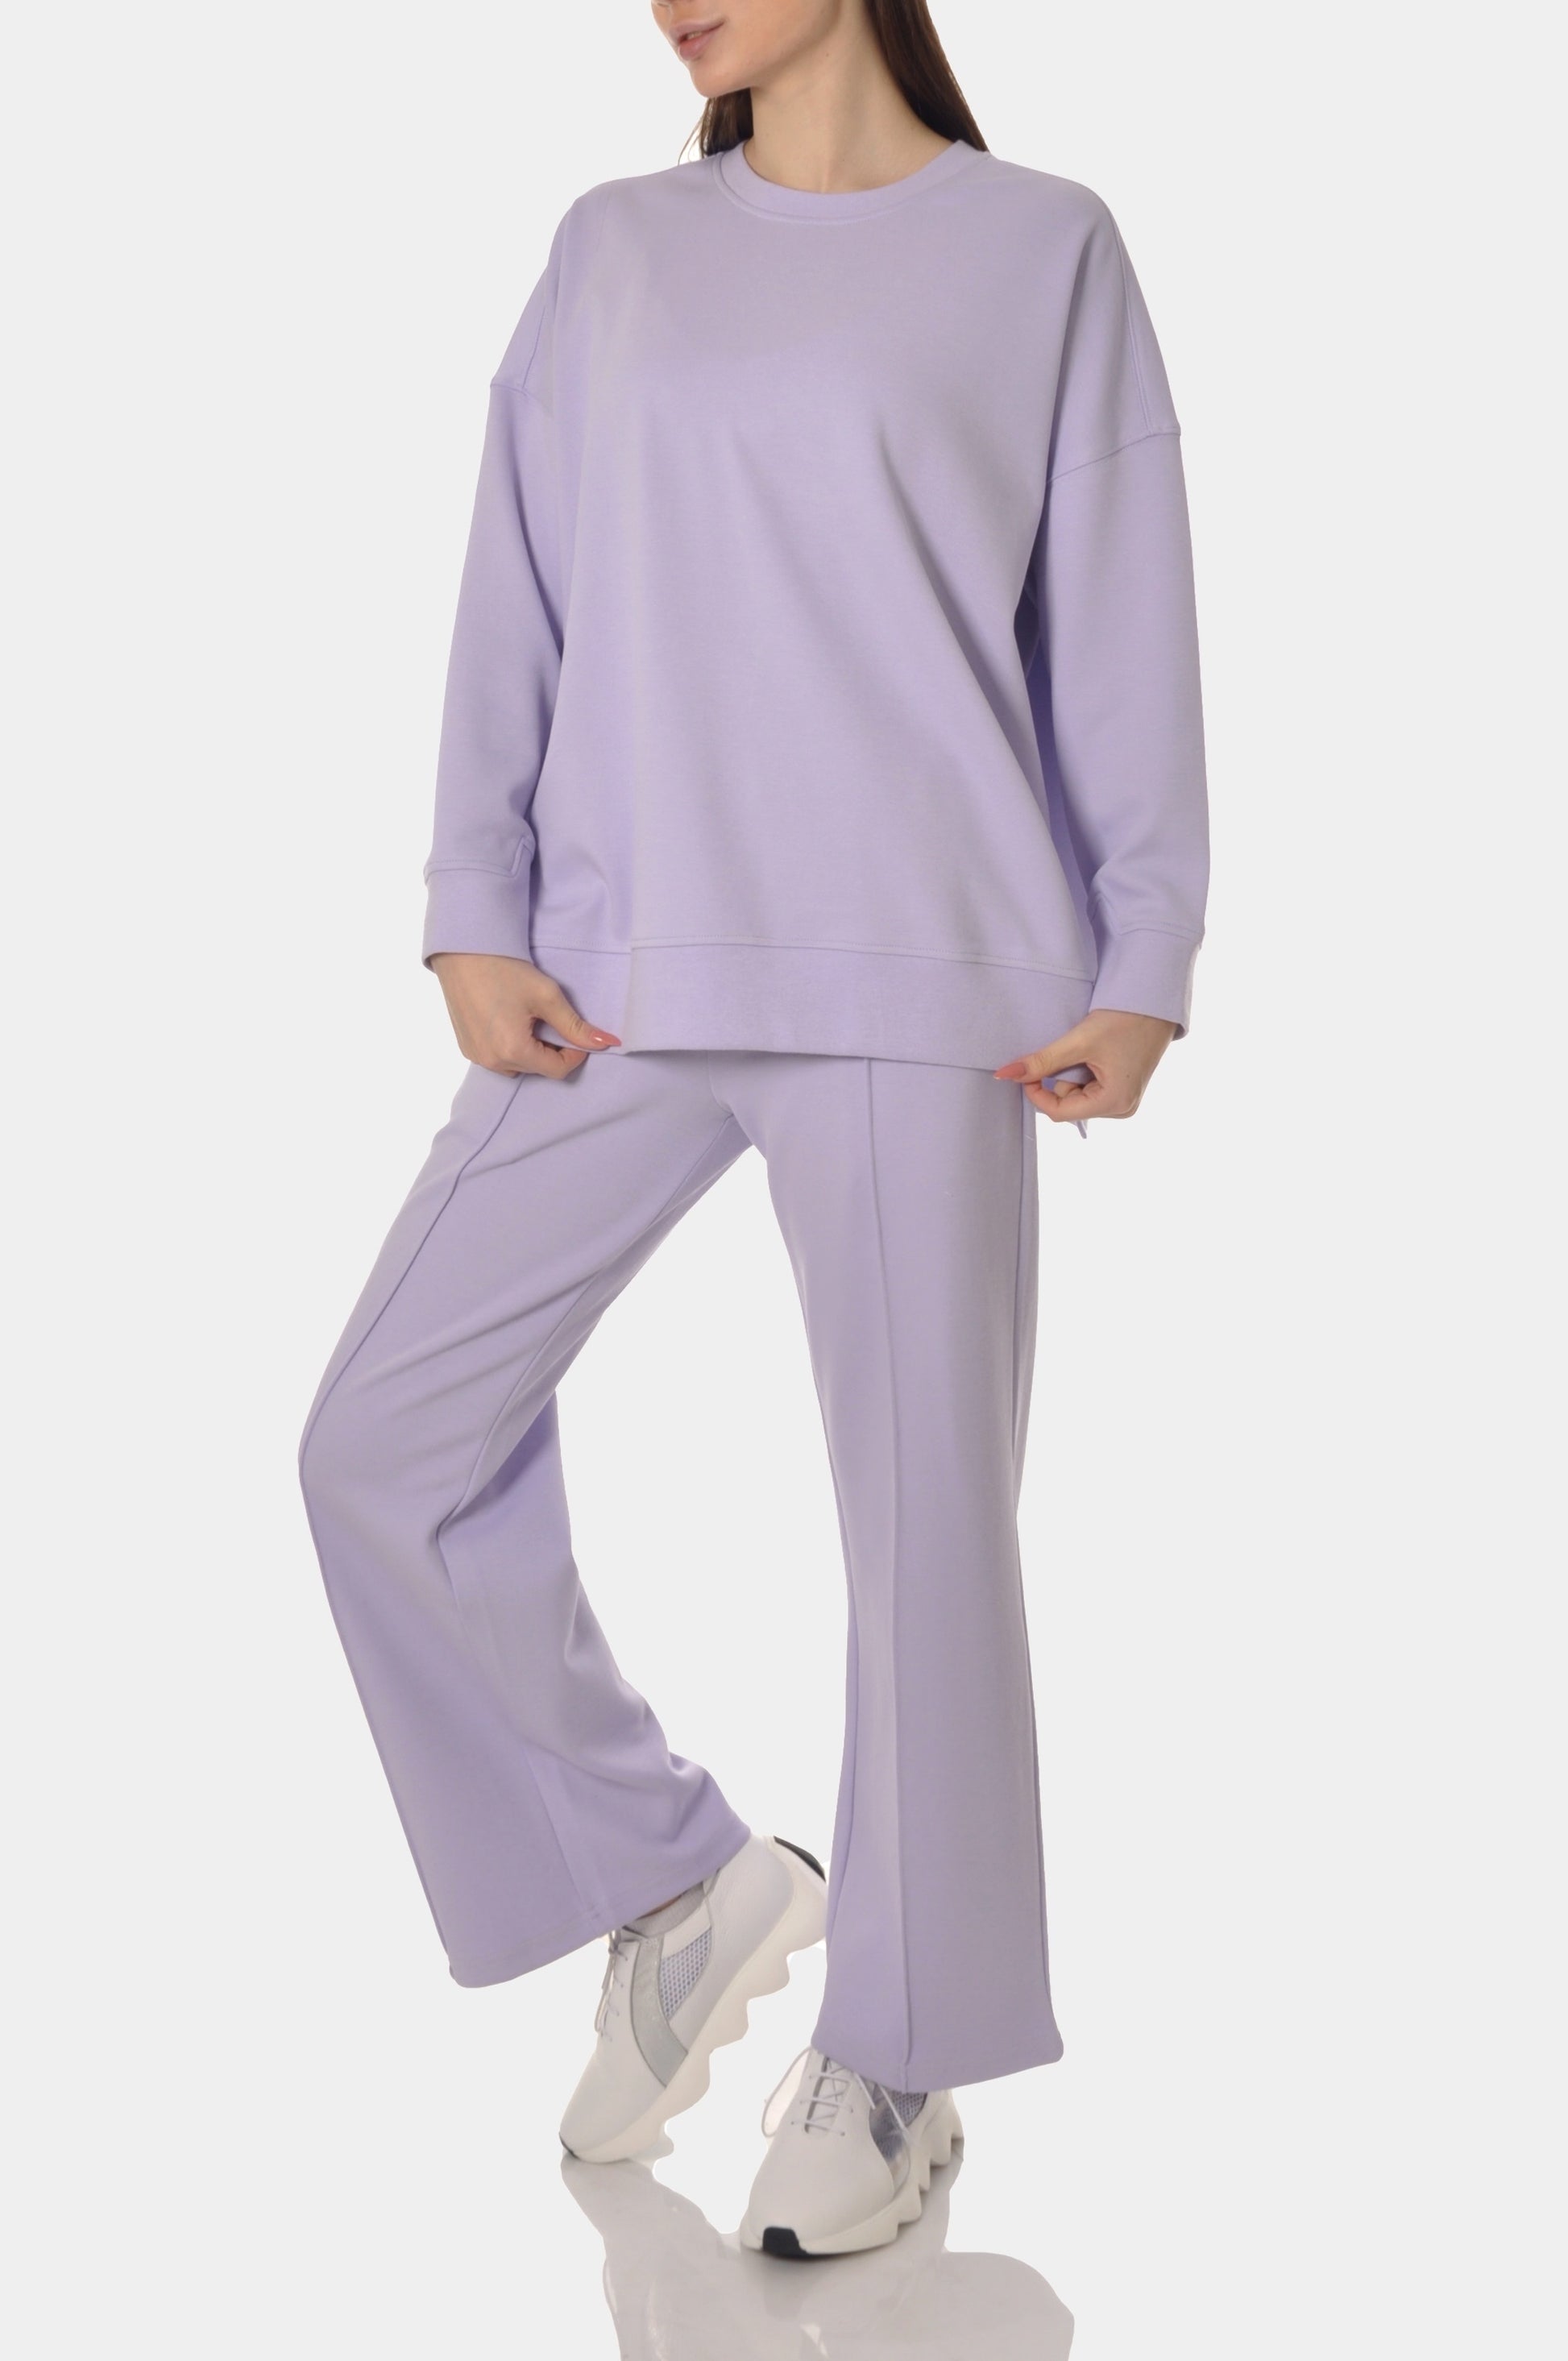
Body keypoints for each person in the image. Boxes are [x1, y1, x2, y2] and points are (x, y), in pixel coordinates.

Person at [297, 0, 1208, 2261]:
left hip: (934, 974)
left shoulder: (1043, 250)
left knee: (924, 1540)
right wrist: (469, 899)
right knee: (379, 1445)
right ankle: (674, 1874)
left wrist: (1144, 947)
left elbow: (1118, 614)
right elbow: (513, 591)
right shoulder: (612, 248)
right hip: (615, 968)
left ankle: (898, 2048)